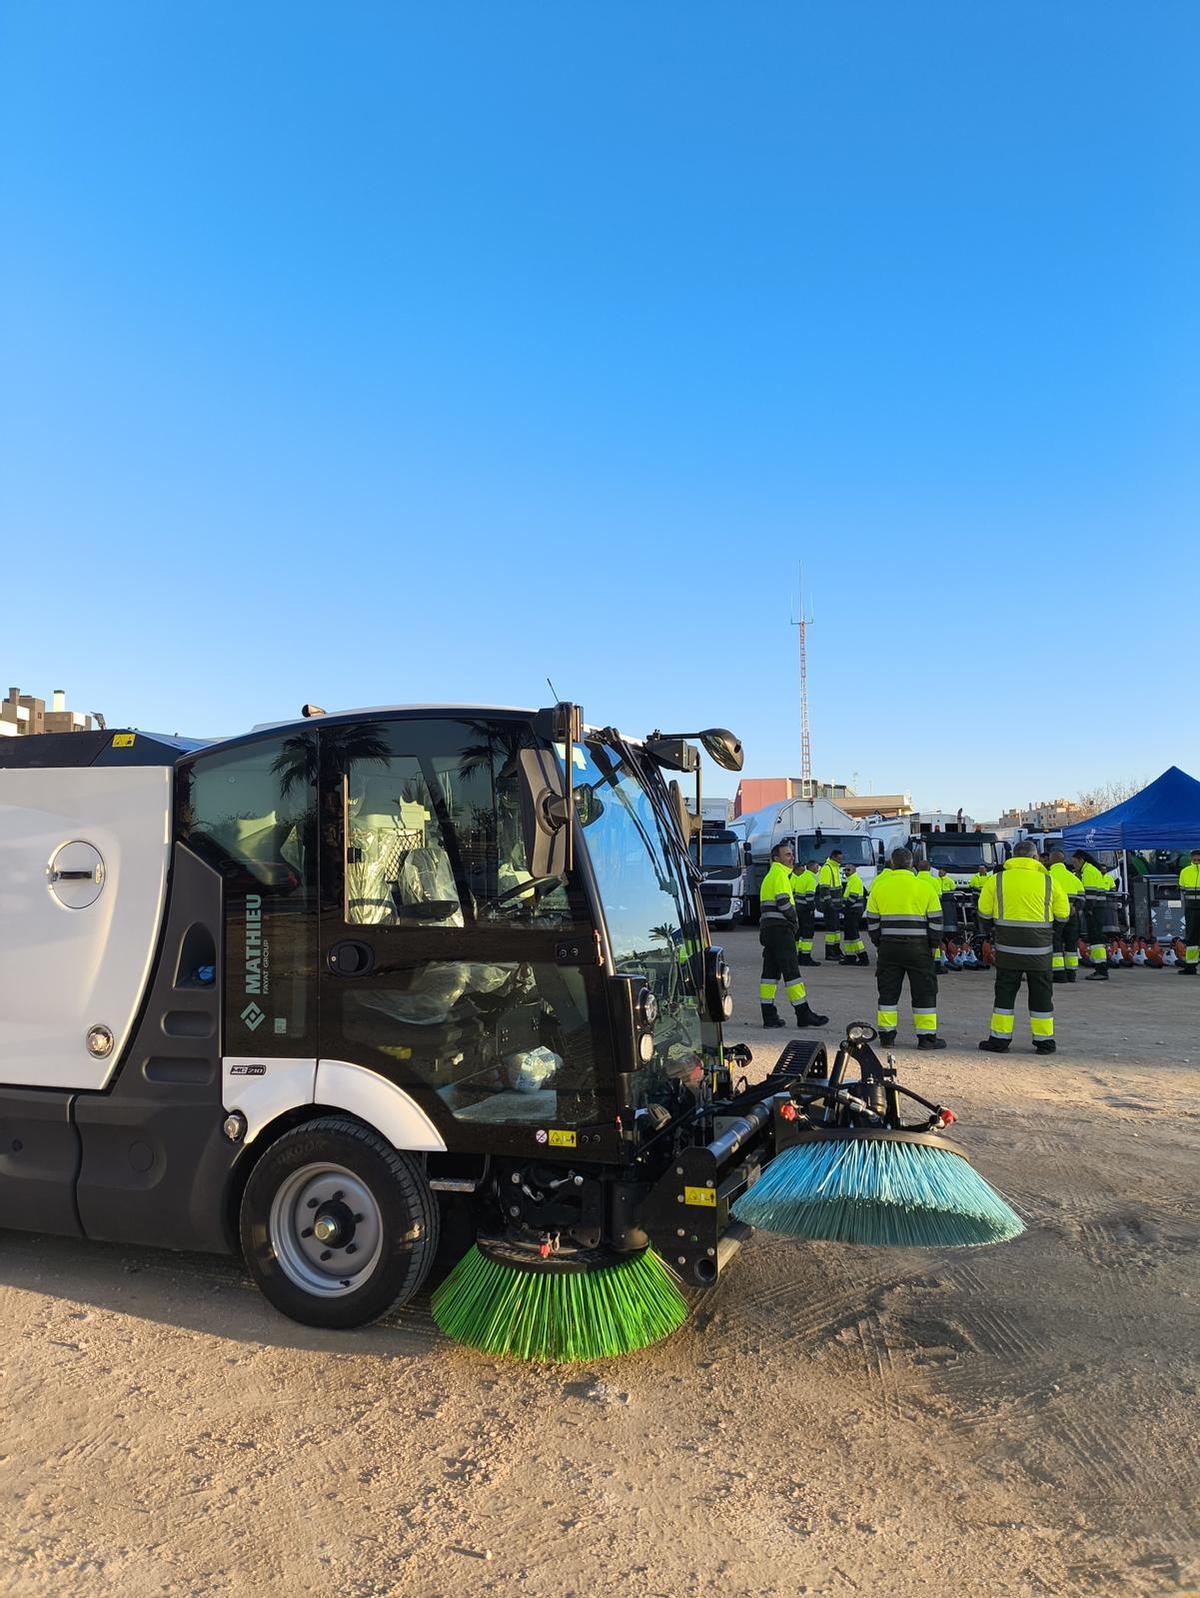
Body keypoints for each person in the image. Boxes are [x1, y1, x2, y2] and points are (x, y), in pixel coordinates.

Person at [976, 841, 1070, 1056]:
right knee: (1042, 995)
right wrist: (1051, 933)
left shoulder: (997, 879)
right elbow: (1063, 914)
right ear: (1036, 858)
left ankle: (999, 1040)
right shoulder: (1049, 881)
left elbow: (983, 912)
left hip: (1007, 949)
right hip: (1040, 950)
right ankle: (1044, 1041)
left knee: (1005, 994)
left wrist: (993, 932)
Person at [864, 846, 946, 1049]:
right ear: (912, 864)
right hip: (919, 948)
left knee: (888, 992)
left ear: (892, 863)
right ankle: (926, 1038)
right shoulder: (925, 887)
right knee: (924, 991)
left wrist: (879, 942)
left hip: (889, 948)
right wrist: (933, 945)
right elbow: (936, 921)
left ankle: (887, 1036)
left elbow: (872, 921)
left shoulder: (879, 887)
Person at [758, 841, 828, 1029]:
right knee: (792, 973)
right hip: (781, 930)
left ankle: (769, 1015)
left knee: (770, 974)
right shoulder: (780, 874)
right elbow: (783, 902)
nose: (791, 858)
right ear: (777, 858)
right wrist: (794, 920)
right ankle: (803, 1013)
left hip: (769, 930)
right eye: (787, 854)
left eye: (791, 854)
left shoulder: (770, 876)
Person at [1072, 850, 1117, 981]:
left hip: (1094, 909)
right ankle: (1101, 967)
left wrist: (1088, 909)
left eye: (1075, 862)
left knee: (1096, 939)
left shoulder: (1088, 871)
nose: (1074, 865)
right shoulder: (1091, 870)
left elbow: (1090, 894)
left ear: (1081, 860)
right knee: (1097, 938)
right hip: (1098, 908)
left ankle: (1101, 969)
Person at [1047, 849, 1084, 984]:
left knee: (1055, 943)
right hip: (1072, 915)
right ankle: (1071, 974)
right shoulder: (1073, 877)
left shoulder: (1048, 876)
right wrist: (1075, 908)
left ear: (1051, 861)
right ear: (1063, 861)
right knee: (1071, 944)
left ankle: (1059, 975)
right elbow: (1082, 898)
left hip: (1055, 915)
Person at [817, 850, 846, 960]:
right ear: (833, 857)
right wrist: (829, 904)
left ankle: (836, 950)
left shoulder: (835, 867)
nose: (841, 860)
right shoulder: (827, 868)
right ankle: (830, 952)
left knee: (836, 930)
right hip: (830, 906)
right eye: (839, 858)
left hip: (836, 905)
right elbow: (824, 888)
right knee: (831, 930)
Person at [792, 855, 819, 967]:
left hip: (798, 909)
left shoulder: (801, 877)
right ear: (812, 868)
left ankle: (798, 956)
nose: (818, 869)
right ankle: (806, 957)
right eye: (817, 867)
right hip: (806, 910)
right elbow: (809, 897)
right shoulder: (811, 879)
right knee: (808, 934)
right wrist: (812, 908)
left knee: (799, 933)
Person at [840, 862, 870, 966]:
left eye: (848, 870)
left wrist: (842, 907)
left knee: (853, 935)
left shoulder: (856, 881)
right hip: (850, 911)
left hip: (853, 911)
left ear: (854, 871)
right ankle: (850, 957)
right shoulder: (851, 881)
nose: (846, 872)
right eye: (845, 870)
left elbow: (852, 898)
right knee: (848, 935)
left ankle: (863, 957)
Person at [1179, 849, 1200, 975]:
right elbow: (1182, 890)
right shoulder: (1185, 872)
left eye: (1199, 859)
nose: (1197, 862)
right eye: (1195, 859)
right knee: (1191, 937)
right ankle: (1191, 966)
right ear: (1191, 859)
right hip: (1191, 909)